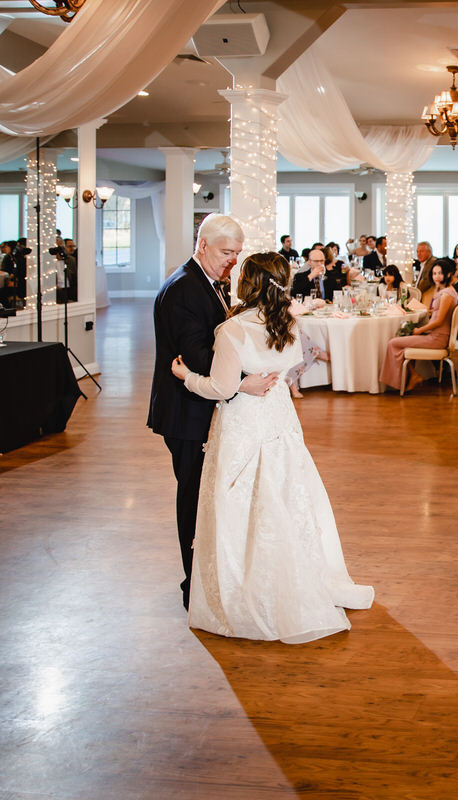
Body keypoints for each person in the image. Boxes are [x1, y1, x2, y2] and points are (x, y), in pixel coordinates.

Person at [171, 251, 373, 641]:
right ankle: (288, 578)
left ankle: (247, 591)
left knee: (243, 502)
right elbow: (291, 367)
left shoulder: (233, 330)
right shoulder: (288, 325)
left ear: (249, 283)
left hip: (244, 423)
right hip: (280, 420)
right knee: (284, 496)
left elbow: (221, 388)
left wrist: (185, 375)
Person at [148, 213, 279, 610]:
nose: (232, 262)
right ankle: (195, 587)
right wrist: (242, 381)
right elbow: (199, 356)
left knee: (208, 496)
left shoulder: (207, 281)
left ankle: (211, 576)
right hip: (187, 411)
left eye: (237, 254)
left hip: (204, 404)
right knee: (193, 497)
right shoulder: (185, 288)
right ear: (202, 245)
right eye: (226, 252)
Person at [380, 259, 458, 392]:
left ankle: (408, 378)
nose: (437, 277)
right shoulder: (446, 291)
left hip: (437, 338)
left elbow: (439, 322)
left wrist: (419, 330)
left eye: (440, 273)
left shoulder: (446, 295)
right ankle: (412, 376)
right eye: (434, 273)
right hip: (436, 336)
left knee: (393, 343)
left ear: (448, 274)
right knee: (402, 337)